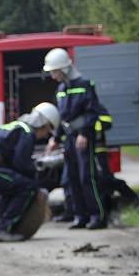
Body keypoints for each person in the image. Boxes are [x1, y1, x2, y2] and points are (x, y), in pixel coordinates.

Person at [0, 103, 60, 242]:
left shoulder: (17, 127)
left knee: (11, 187)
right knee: (27, 187)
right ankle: (3, 229)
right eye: (48, 130)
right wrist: (36, 186)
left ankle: (6, 228)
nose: (46, 135)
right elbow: (21, 164)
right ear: (43, 122)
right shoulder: (26, 132)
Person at [44, 48, 107, 230]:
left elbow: (92, 112)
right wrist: (55, 138)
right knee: (72, 178)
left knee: (86, 177)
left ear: (64, 69)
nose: (53, 76)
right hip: (69, 138)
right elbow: (63, 117)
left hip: (83, 138)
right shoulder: (61, 89)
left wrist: (84, 133)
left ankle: (97, 216)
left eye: (54, 72)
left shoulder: (85, 85)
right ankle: (80, 216)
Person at [92, 105, 139, 215]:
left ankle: (134, 197)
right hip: (82, 152)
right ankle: (103, 208)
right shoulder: (74, 106)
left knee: (105, 179)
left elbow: (107, 122)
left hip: (98, 149)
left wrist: (90, 126)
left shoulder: (95, 107)